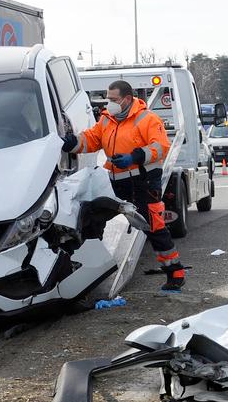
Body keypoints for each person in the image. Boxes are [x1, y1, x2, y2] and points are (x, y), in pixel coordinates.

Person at [61, 80, 185, 291]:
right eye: (108, 99)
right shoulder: (107, 120)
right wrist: (70, 143)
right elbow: (92, 139)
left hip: (143, 182)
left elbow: (160, 147)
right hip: (117, 182)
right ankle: (89, 268)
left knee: (153, 226)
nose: (109, 103)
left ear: (127, 99)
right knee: (93, 217)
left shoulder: (148, 119)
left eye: (113, 99)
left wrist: (134, 157)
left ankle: (175, 272)